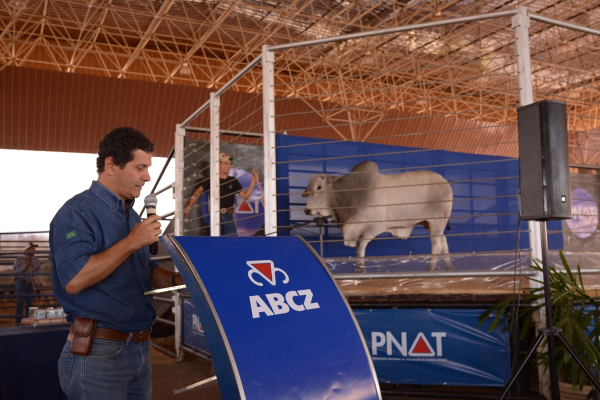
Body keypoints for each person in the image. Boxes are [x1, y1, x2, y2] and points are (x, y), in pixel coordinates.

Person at [50, 127, 183, 400]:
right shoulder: (76, 213)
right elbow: (75, 280)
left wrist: (179, 279)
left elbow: (146, 272)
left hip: (139, 349)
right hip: (98, 352)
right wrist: (132, 242)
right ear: (111, 165)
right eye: (140, 167)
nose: (147, 176)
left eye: (148, 167)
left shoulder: (132, 216)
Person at [183, 152, 258, 236]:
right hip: (215, 215)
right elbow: (198, 192)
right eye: (226, 163)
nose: (229, 166)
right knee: (216, 242)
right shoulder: (211, 179)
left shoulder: (233, 180)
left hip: (228, 215)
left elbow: (245, 196)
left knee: (233, 242)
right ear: (219, 165)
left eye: (229, 163)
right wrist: (188, 207)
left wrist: (253, 182)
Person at [13, 242, 40, 324]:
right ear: (27, 250)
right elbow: (15, 272)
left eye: (34, 248)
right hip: (20, 282)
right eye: (32, 248)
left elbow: (39, 270)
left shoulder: (35, 259)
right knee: (20, 302)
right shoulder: (19, 259)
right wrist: (25, 266)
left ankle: (28, 321)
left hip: (30, 282)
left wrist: (33, 272)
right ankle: (18, 322)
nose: (34, 250)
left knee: (30, 303)